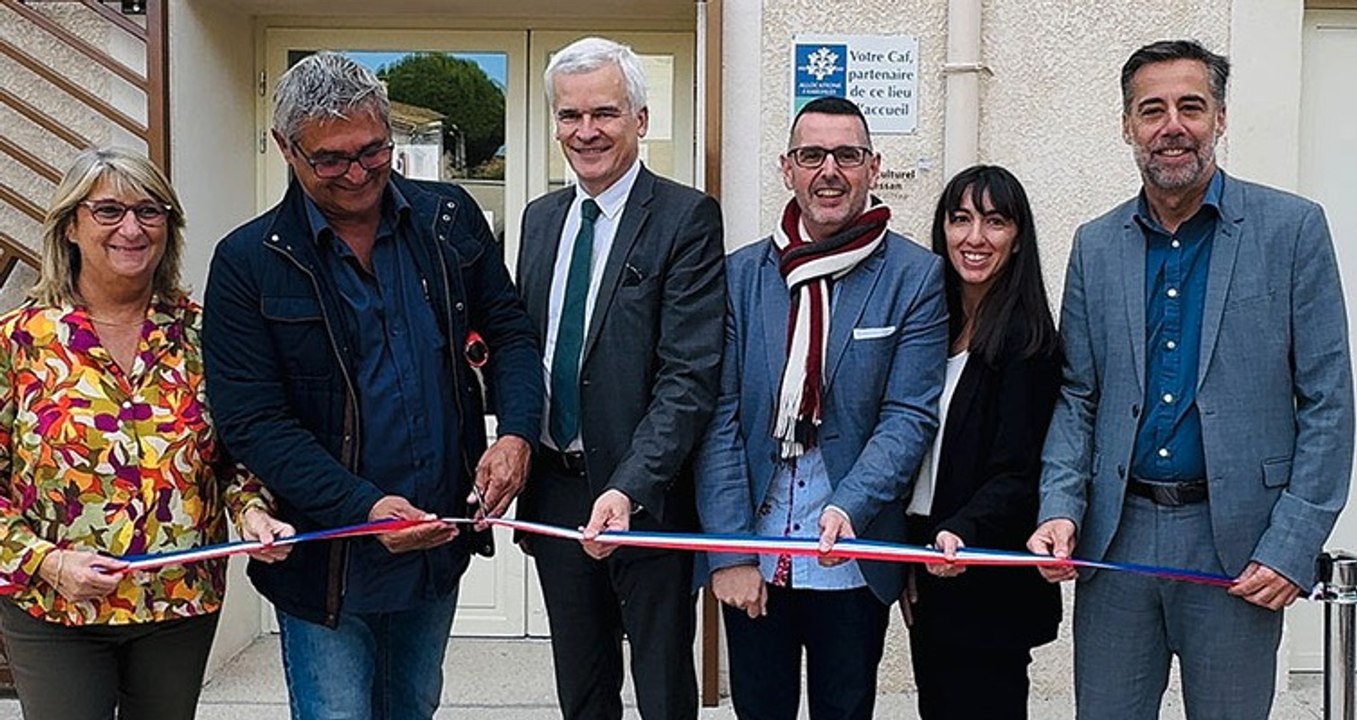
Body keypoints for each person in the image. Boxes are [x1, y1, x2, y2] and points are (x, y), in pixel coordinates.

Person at [203, 52, 542, 720]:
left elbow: (510, 334)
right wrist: (363, 508)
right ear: (285, 148)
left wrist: (518, 437)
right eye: (331, 160)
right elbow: (252, 421)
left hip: (434, 550)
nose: (358, 174)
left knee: (413, 709)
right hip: (325, 560)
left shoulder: (447, 219)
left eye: (374, 151)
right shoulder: (248, 262)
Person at [1027, 39, 1353, 719]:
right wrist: (1059, 506)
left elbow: (1328, 400)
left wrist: (1292, 545)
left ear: (1220, 118)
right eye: (1151, 110)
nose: (1171, 126)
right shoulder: (1095, 243)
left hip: (1238, 547)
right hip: (1115, 542)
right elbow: (1077, 395)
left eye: (1190, 106)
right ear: (1126, 126)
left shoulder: (1291, 229)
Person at [0, 147, 292, 720]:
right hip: (55, 605)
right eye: (108, 211)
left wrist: (255, 513)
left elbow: (233, 457)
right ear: (71, 226)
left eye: (149, 211)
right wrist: (49, 562)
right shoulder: (20, 340)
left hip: (177, 603)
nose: (131, 228)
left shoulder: (205, 334)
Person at [696, 95, 947, 720]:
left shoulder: (915, 276)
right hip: (755, 553)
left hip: (852, 555)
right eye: (812, 155)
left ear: (872, 166)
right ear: (788, 167)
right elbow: (719, 416)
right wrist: (729, 553)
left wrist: (849, 505)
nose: (829, 170)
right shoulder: (741, 275)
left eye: (847, 154)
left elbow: (909, 415)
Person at [514, 36, 724, 720]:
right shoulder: (540, 220)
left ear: (640, 118)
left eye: (603, 113)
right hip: (555, 490)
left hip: (646, 495)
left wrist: (629, 487)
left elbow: (687, 376)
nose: (586, 131)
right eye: (569, 116)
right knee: (582, 688)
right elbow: (530, 350)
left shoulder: (684, 217)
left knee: (663, 689)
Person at [903, 164, 1061, 719]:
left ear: (1018, 239)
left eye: (995, 222)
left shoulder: (1029, 343)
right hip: (929, 556)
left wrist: (959, 529)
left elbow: (1021, 472)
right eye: (961, 218)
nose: (975, 237)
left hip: (985, 567)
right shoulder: (932, 325)